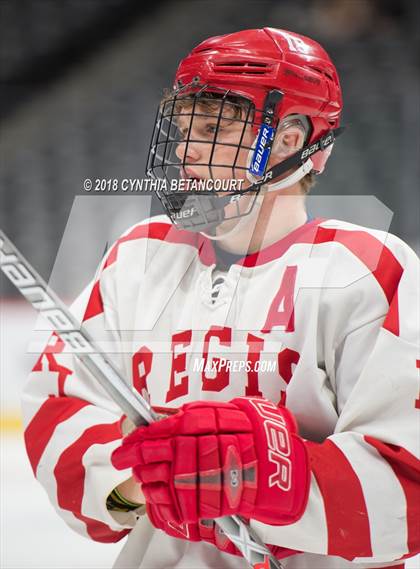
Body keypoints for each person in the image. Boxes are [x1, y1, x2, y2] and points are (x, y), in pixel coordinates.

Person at [22, 28, 419, 569]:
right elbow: (58, 404)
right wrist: (137, 488)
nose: (186, 150)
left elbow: (409, 489)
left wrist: (275, 473)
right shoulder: (139, 257)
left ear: (290, 138)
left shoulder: (370, 270)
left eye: (211, 128)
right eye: (184, 129)